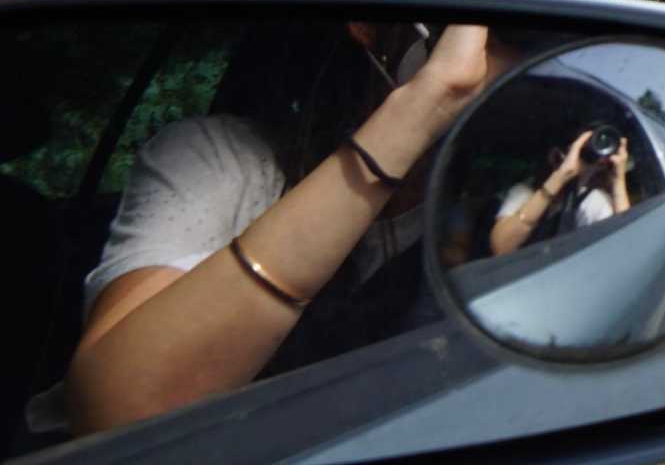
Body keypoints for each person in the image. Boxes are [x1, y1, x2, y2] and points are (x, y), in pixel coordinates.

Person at [55, 22, 503, 438]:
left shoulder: (504, 215)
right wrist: (424, 106)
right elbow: (121, 418)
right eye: (485, 28)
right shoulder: (225, 161)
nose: (497, 57)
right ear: (368, 27)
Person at [487, 127, 630, 256]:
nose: (586, 164)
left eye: (592, 159)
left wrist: (618, 181)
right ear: (554, 155)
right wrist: (561, 176)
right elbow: (501, 247)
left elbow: (626, 248)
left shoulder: (591, 201)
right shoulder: (524, 193)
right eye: (580, 152)